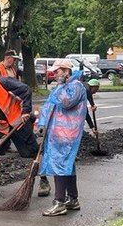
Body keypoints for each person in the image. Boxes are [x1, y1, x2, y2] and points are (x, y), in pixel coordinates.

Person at [36, 59, 89, 216]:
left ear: (66, 71)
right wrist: (41, 123)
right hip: (57, 133)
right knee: (67, 165)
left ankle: (59, 202)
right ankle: (72, 199)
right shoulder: (62, 87)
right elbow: (48, 105)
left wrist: (60, 86)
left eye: (57, 71)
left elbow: (67, 103)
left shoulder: (76, 86)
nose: (55, 74)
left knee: (59, 164)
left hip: (67, 133)